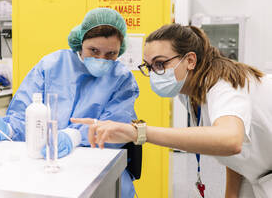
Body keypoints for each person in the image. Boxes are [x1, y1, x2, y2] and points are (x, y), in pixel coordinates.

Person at [72, 24, 272, 198]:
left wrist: (139, 132)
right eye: (149, 67)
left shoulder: (224, 85)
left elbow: (230, 140)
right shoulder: (189, 92)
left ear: (190, 60)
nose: (154, 73)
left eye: (161, 64)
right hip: (257, 174)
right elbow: (233, 151)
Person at [0, 8, 139, 198]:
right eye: (94, 51)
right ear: (80, 43)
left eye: (111, 54)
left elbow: (115, 127)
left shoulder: (122, 79)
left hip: (95, 167)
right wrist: (8, 128)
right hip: (46, 165)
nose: (101, 59)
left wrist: (74, 137)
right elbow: (25, 112)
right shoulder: (51, 65)